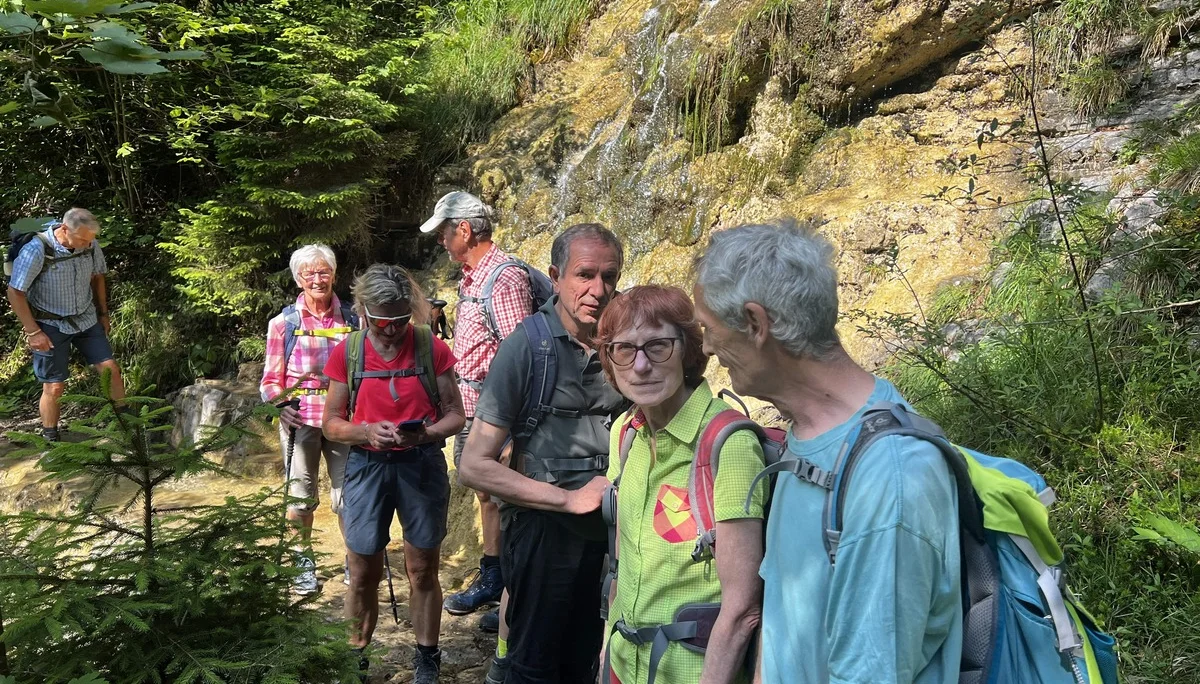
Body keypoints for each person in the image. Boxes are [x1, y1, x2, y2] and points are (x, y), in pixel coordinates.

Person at [691, 220, 962, 684]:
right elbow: (784, 627)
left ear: (756, 324)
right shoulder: (807, 437)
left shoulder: (890, 478)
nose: (707, 348)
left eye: (709, 329)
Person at [459, 223, 627, 684]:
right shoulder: (526, 348)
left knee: (591, 661)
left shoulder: (628, 343)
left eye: (609, 277)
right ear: (555, 277)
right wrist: (567, 499)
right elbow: (474, 465)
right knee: (533, 665)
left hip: (617, 536)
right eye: (584, 275)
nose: (598, 290)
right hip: (543, 533)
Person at [597, 285, 766, 684]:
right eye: (624, 349)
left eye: (658, 346)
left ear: (688, 350)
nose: (641, 366)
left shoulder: (729, 444)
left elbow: (743, 608)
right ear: (609, 360)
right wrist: (607, 653)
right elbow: (621, 561)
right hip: (623, 664)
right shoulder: (625, 432)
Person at [322, 264, 466, 684]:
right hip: (366, 466)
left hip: (420, 465)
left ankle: (426, 658)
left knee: (422, 567)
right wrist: (366, 431)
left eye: (401, 319)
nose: (392, 330)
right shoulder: (347, 353)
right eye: (383, 321)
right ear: (363, 311)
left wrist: (423, 434)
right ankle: (355, 658)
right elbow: (331, 422)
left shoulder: (430, 348)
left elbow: (456, 414)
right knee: (362, 568)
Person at [419, 192, 532, 635]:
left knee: (508, 499)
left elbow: (520, 352)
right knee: (487, 495)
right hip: (477, 409)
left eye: (445, 233)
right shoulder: (472, 277)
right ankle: (494, 577)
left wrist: (512, 433)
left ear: (463, 230)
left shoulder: (501, 280)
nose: (443, 243)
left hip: (497, 413)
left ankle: (515, 595)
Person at [259, 244, 358, 595]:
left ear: (334, 274)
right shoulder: (283, 324)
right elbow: (270, 380)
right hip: (301, 422)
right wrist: (278, 404)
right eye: (309, 273)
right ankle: (303, 560)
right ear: (299, 279)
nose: (318, 279)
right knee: (299, 498)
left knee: (350, 495)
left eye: (324, 271)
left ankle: (355, 559)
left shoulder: (354, 319)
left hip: (345, 421)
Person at [6, 208, 125, 441]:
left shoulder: (90, 245)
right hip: (49, 324)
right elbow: (15, 291)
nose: (85, 245)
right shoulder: (37, 249)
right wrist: (33, 332)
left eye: (89, 240)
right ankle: (51, 438)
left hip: (86, 318)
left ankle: (129, 428)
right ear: (64, 229)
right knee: (54, 386)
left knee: (110, 369)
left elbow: (98, 276)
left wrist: (103, 314)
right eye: (81, 239)